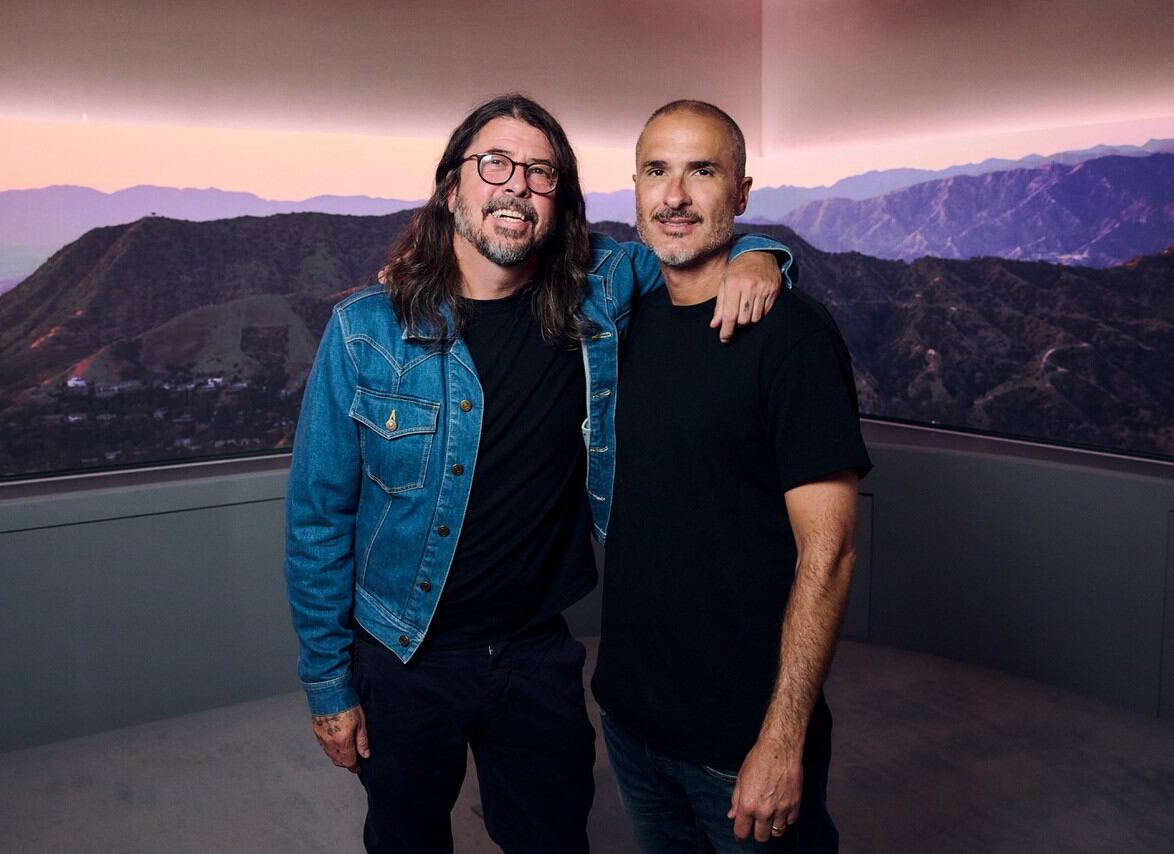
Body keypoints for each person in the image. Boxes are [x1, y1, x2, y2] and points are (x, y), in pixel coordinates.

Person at [282, 93, 794, 854]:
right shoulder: (365, 331)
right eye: (495, 164)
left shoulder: (596, 294)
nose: (518, 185)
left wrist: (762, 255)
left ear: (560, 201)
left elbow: (689, 242)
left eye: (541, 172)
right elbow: (318, 518)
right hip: (402, 656)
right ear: (451, 187)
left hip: (534, 657)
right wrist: (328, 684)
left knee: (552, 839)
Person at [591, 100, 873, 853]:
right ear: (634, 186)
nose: (675, 195)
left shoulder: (793, 339)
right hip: (630, 722)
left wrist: (782, 739)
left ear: (742, 193)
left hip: (742, 739)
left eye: (703, 171)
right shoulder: (622, 324)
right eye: (657, 171)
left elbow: (830, 554)